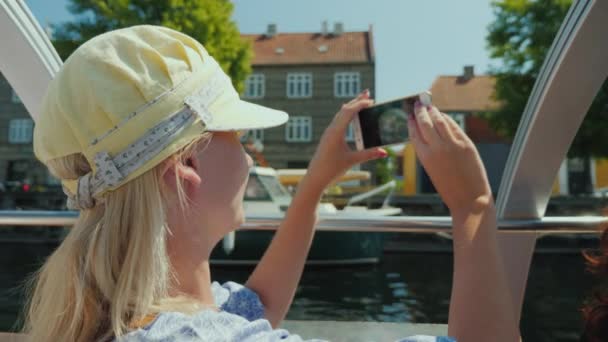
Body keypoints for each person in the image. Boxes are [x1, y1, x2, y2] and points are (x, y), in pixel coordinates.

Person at [23, 25, 518, 342]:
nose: (247, 151)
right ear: (186, 172)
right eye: (237, 135)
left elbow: (255, 306)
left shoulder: (121, 313)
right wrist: (473, 206)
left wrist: (315, 184)